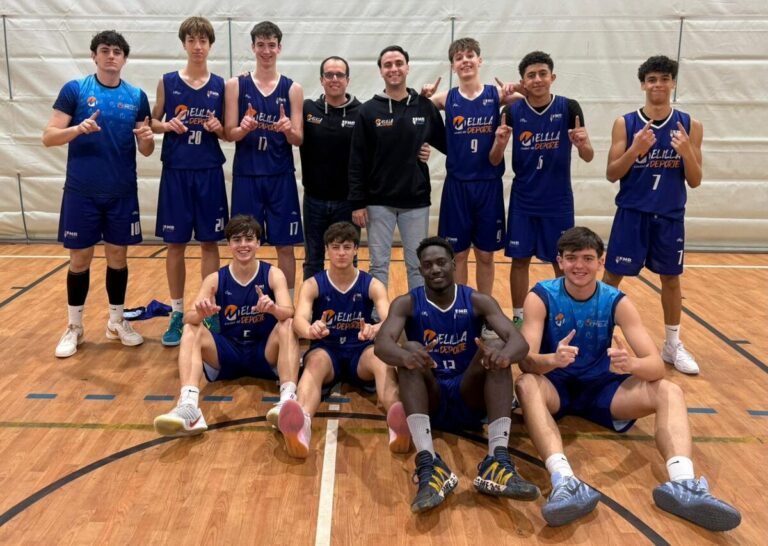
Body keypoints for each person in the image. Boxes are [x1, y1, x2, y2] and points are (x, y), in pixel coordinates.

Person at [515, 226, 740, 530]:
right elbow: (527, 363)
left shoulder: (616, 300)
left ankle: (683, 483)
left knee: (669, 390)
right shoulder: (540, 296)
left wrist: (631, 365)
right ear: (559, 261)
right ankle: (564, 481)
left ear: (601, 261)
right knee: (526, 384)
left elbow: (656, 367)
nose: (579, 266)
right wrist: (552, 359)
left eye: (587, 258)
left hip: (602, 391)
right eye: (571, 258)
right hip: (556, 385)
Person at [374, 236, 539, 513]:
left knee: (496, 349)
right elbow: (382, 344)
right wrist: (406, 355)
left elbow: (519, 342)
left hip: (468, 393)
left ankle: (497, 460)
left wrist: (504, 356)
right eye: (428, 265)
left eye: (441, 263)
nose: (435, 269)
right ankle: (428, 461)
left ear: (453, 264)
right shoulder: (407, 303)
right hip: (431, 397)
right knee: (411, 350)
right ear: (420, 270)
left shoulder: (477, 300)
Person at [43, 30, 154, 358]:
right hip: (82, 192)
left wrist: (148, 136)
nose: (110, 56)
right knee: (80, 258)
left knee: (118, 257)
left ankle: (116, 321)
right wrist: (77, 129)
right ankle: (74, 327)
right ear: (94, 56)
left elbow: (145, 149)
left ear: (124, 58)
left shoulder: (136, 95)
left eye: (117, 51)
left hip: (121, 192)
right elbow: (48, 136)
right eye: (104, 50)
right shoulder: (75, 90)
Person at [153, 215, 300, 437]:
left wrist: (272, 309)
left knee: (287, 324)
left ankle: (287, 401)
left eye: (249, 239)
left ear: (258, 243)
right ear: (229, 244)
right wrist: (200, 313)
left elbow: (289, 312)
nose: (243, 245)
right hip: (229, 351)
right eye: (237, 239)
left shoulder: (272, 274)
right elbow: (187, 318)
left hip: (263, 350)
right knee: (192, 329)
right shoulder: (215, 279)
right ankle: (189, 407)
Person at [603, 55, 703, 375]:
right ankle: (600, 338)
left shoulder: (690, 125)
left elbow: (696, 179)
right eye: (651, 79)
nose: (657, 84)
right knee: (611, 279)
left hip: (669, 215)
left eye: (664, 78)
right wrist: (635, 150)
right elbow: (611, 172)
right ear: (643, 85)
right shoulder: (626, 122)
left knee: (671, 279)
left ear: (673, 83)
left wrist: (687, 151)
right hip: (632, 212)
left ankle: (672, 345)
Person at [276, 222, 410, 458]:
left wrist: (375, 329)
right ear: (327, 249)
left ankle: (398, 421)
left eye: (347, 247)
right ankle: (301, 425)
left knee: (382, 362)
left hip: (360, 350)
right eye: (335, 247)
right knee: (314, 363)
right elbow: (298, 321)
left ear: (356, 250)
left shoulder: (372, 284)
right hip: (327, 350)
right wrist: (310, 330)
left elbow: (392, 321)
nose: (341, 253)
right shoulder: (313, 284)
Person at [490, 51, 594, 327]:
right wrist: (500, 143)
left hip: (558, 200)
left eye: (542, 74)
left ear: (552, 77)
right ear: (523, 81)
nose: (537, 80)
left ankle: (564, 313)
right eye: (531, 75)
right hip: (524, 199)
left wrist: (582, 143)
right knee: (520, 260)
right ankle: (519, 317)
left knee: (561, 261)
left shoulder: (569, 108)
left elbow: (588, 156)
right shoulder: (510, 112)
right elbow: (494, 159)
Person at [420, 37, 522, 295]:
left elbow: (527, 99)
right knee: (459, 254)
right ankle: (463, 309)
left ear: (479, 60)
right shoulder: (446, 98)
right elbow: (415, 111)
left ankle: (486, 309)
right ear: (453, 66)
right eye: (458, 58)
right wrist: (424, 96)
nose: (465, 60)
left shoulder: (495, 94)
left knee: (486, 255)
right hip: (457, 186)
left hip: (488, 185)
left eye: (469, 55)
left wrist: (515, 88)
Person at [151, 16, 228, 346]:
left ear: (210, 45)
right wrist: (166, 127)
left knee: (210, 243)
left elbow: (229, 132)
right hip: (177, 171)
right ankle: (177, 312)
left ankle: (208, 311)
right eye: (192, 40)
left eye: (203, 41)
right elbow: (152, 122)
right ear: (184, 43)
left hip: (209, 170)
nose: (198, 47)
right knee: (176, 244)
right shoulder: (168, 81)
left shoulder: (222, 85)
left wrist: (218, 129)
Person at [348, 45, 446, 292]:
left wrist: (429, 149)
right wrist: (358, 202)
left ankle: (418, 314)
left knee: (417, 264)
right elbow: (357, 159)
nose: (394, 69)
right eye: (388, 65)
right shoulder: (368, 110)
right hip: (378, 202)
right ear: (381, 71)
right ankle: (378, 319)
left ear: (407, 67)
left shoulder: (424, 106)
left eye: (399, 63)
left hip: (415, 200)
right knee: (378, 265)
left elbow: (447, 143)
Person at [225, 21, 303, 297]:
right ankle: (244, 298)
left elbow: (298, 139)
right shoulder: (236, 85)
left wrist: (288, 129)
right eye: (261, 45)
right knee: (244, 243)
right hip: (247, 175)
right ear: (253, 47)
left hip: (280, 176)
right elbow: (228, 133)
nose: (266, 51)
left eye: (271, 45)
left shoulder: (292, 88)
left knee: (285, 245)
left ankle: (288, 304)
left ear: (279, 48)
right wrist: (242, 129)